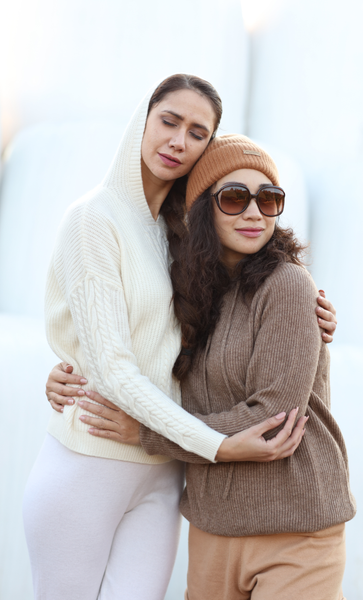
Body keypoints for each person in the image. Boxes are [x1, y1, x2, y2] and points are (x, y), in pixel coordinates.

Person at [29, 75, 338, 600]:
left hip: (167, 472)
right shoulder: (92, 219)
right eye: (169, 121)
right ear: (142, 120)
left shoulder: (179, 241)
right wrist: (72, 365)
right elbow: (111, 361)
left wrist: (312, 321)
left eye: (198, 133)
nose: (179, 141)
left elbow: (170, 341)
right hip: (98, 452)